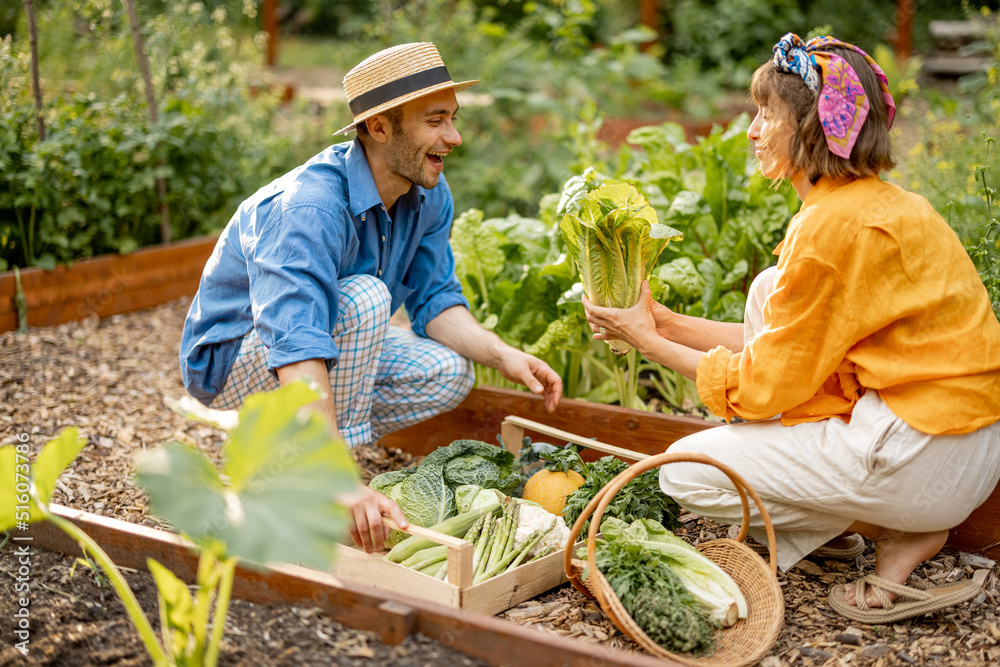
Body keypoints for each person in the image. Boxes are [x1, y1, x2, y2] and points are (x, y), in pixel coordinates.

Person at [582, 32, 1000, 622]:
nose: (752, 129)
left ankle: (894, 528)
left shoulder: (828, 231)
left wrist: (642, 341)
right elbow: (781, 347)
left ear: (811, 128)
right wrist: (665, 322)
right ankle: (864, 527)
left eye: (766, 113)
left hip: (919, 455)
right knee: (764, 291)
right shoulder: (893, 204)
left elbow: (761, 387)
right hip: (965, 444)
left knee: (682, 473)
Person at [179, 42, 563, 553]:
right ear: (380, 127)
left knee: (449, 372)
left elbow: (435, 299)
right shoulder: (310, 208)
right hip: (234, 360)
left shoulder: (428, 195)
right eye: (436, 121)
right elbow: (297, 342)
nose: (455, 137)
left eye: (453, 118)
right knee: (365, 299)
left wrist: (504, 355)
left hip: (320, 347)